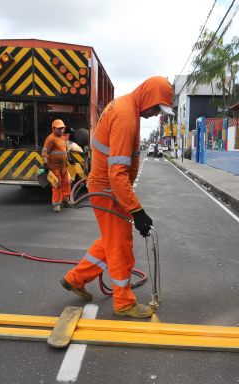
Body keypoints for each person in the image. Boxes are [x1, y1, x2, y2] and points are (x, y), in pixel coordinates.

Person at [60, 76, 174, 318]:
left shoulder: (127, 107)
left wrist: (132, 207)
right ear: (148, 98)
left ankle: (75, 278)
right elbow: (117, 173)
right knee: (120, 245)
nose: (155, 114)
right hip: (107, 190)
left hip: (108, 189)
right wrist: (137, 211)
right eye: (155, 108)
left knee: (110, 240)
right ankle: (123, 302)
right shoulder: (125, 116)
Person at [41, 119, 71, 212]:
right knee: (57, 185)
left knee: (66, 183)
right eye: (59, 129)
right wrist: (45, 163)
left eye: (62, 128)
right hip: (54, 167)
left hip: (63, 167)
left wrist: (69, 158)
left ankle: (65, 200)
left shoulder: (63, 138)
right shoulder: (50, 139)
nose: (61, 130)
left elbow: (65, 150)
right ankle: (56, 204)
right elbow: (45, 152)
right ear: (53, 128)